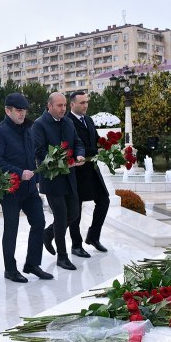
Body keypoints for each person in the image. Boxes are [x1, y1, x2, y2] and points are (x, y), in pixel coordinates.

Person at [0, 93, 53, 281]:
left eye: (24, 110)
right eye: (18, 110)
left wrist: (37, 176)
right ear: (7, 110)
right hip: (10, 188)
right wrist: (19, 172)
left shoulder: (28, 128)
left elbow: (33, 156)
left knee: (39, 222)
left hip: (29, 188)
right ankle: (10, 269)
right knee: (12, 228)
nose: (22, 114)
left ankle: (32, 264)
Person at [32, 92, 85, 271]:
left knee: (74, 212)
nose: (63, 109)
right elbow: (39, 152)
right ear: (50, 106)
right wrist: (60, 161)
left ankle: (48, 233)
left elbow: (77, 142)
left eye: (64, 105)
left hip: (70, 177)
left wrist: (79, 154)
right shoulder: (39, 125)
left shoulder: (68, 122)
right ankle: (62, 257)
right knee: (61, 216)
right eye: (59, 106)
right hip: (52, 178)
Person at [66, 91, 109, 257]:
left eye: (86, 102)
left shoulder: (89, 120)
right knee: (76, 211)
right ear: (72, 105)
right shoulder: (67, 122)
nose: (85, 105)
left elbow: (96, 139)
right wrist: (96, 150)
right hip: (76, 172)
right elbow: (74, 147)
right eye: (82, 102)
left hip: (92, 169)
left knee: (104, 200)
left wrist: (109, 144)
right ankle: (76, 246)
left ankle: (93, 236)